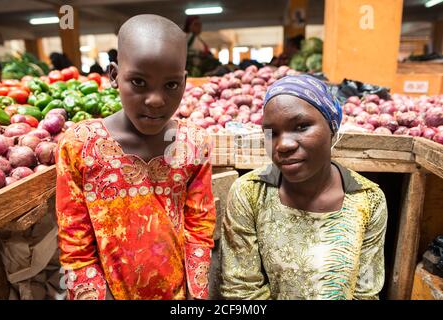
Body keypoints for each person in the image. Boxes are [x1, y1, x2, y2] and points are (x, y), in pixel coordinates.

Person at [55, 14, 216, 300]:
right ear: (114, 75)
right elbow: (75, 244)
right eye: (139, 82)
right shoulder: (79, 145)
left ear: (184, 81)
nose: (156, 100)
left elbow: (199, 227)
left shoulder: (194, 142)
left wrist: (196, 295)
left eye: (171, 85)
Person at [220, 74, 387, 300]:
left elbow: (365, 293)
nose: (283, 145)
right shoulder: (250, 193)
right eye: (272, 133)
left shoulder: (368, 199)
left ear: (332, 127)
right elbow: (241, 291)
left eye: (301, 126)